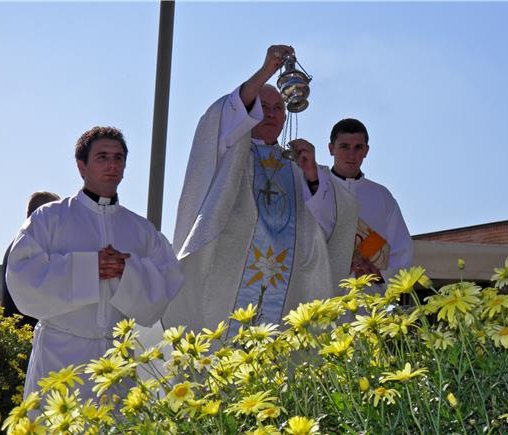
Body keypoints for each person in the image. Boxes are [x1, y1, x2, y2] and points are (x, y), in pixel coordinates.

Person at [163, 45, 358, 335]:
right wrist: (268, 70)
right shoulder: (230, 153)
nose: (271, 114)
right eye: (262, 107)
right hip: (229, 277)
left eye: (278, 108)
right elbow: (224, 114)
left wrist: (312, 177)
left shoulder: (296, 166)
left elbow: (330, 223)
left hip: (287, 289)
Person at [6, 126, 183, 400]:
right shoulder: (49, 219)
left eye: (119, 158)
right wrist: (90, 269)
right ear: (81, 166)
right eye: (102, 157)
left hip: (117, 363)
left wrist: (127, 271)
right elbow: (22, 276)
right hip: (61, 358)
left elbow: (169, 280)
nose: (112, 165)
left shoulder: (141, 230)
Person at [327, 118, 413, 285]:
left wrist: (382, 277)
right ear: (331, 149)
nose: (351, 154)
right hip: (324, 294)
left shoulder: (381, 196)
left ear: (366, 150)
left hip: (370, 297)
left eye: (358, 147)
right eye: (344, 146)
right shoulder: (317, 189)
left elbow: (402, 249)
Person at [1, 191, 60, 328]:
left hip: (15, 334)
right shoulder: (33, 248)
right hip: (30, 336)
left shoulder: (17, 245)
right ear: (44, 214)